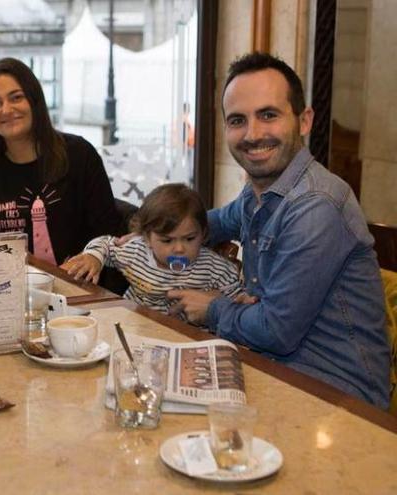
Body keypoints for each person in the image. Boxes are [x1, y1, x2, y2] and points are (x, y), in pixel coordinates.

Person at [167, 53, 390, 408]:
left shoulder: (316, 204)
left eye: (268, 115)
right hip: (269, 369)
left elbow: (276, 331)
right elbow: (213, 224)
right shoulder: (258, 193)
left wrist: (213, 308)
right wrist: (155, 233)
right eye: (238, 120)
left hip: (336, 397)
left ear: (304, 121)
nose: (253, 135)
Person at [0, 57, 127, 292]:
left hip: (80, 289)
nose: (7, 110)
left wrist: (93, 257)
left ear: (34, 100)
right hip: (7, 294)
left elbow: (111, 232)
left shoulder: (79, 155)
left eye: (16, 97)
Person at [61, 183, 245, 321]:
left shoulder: (215, 268)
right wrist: (94, 257)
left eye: (189, 239)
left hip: (186, 339)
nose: (179, 248)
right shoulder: (136, 252)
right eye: (167, 240)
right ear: (147, 238)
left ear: (204, 234)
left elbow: (237, 299)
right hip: (134, 325)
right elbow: (107, 245)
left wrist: (230, 301)